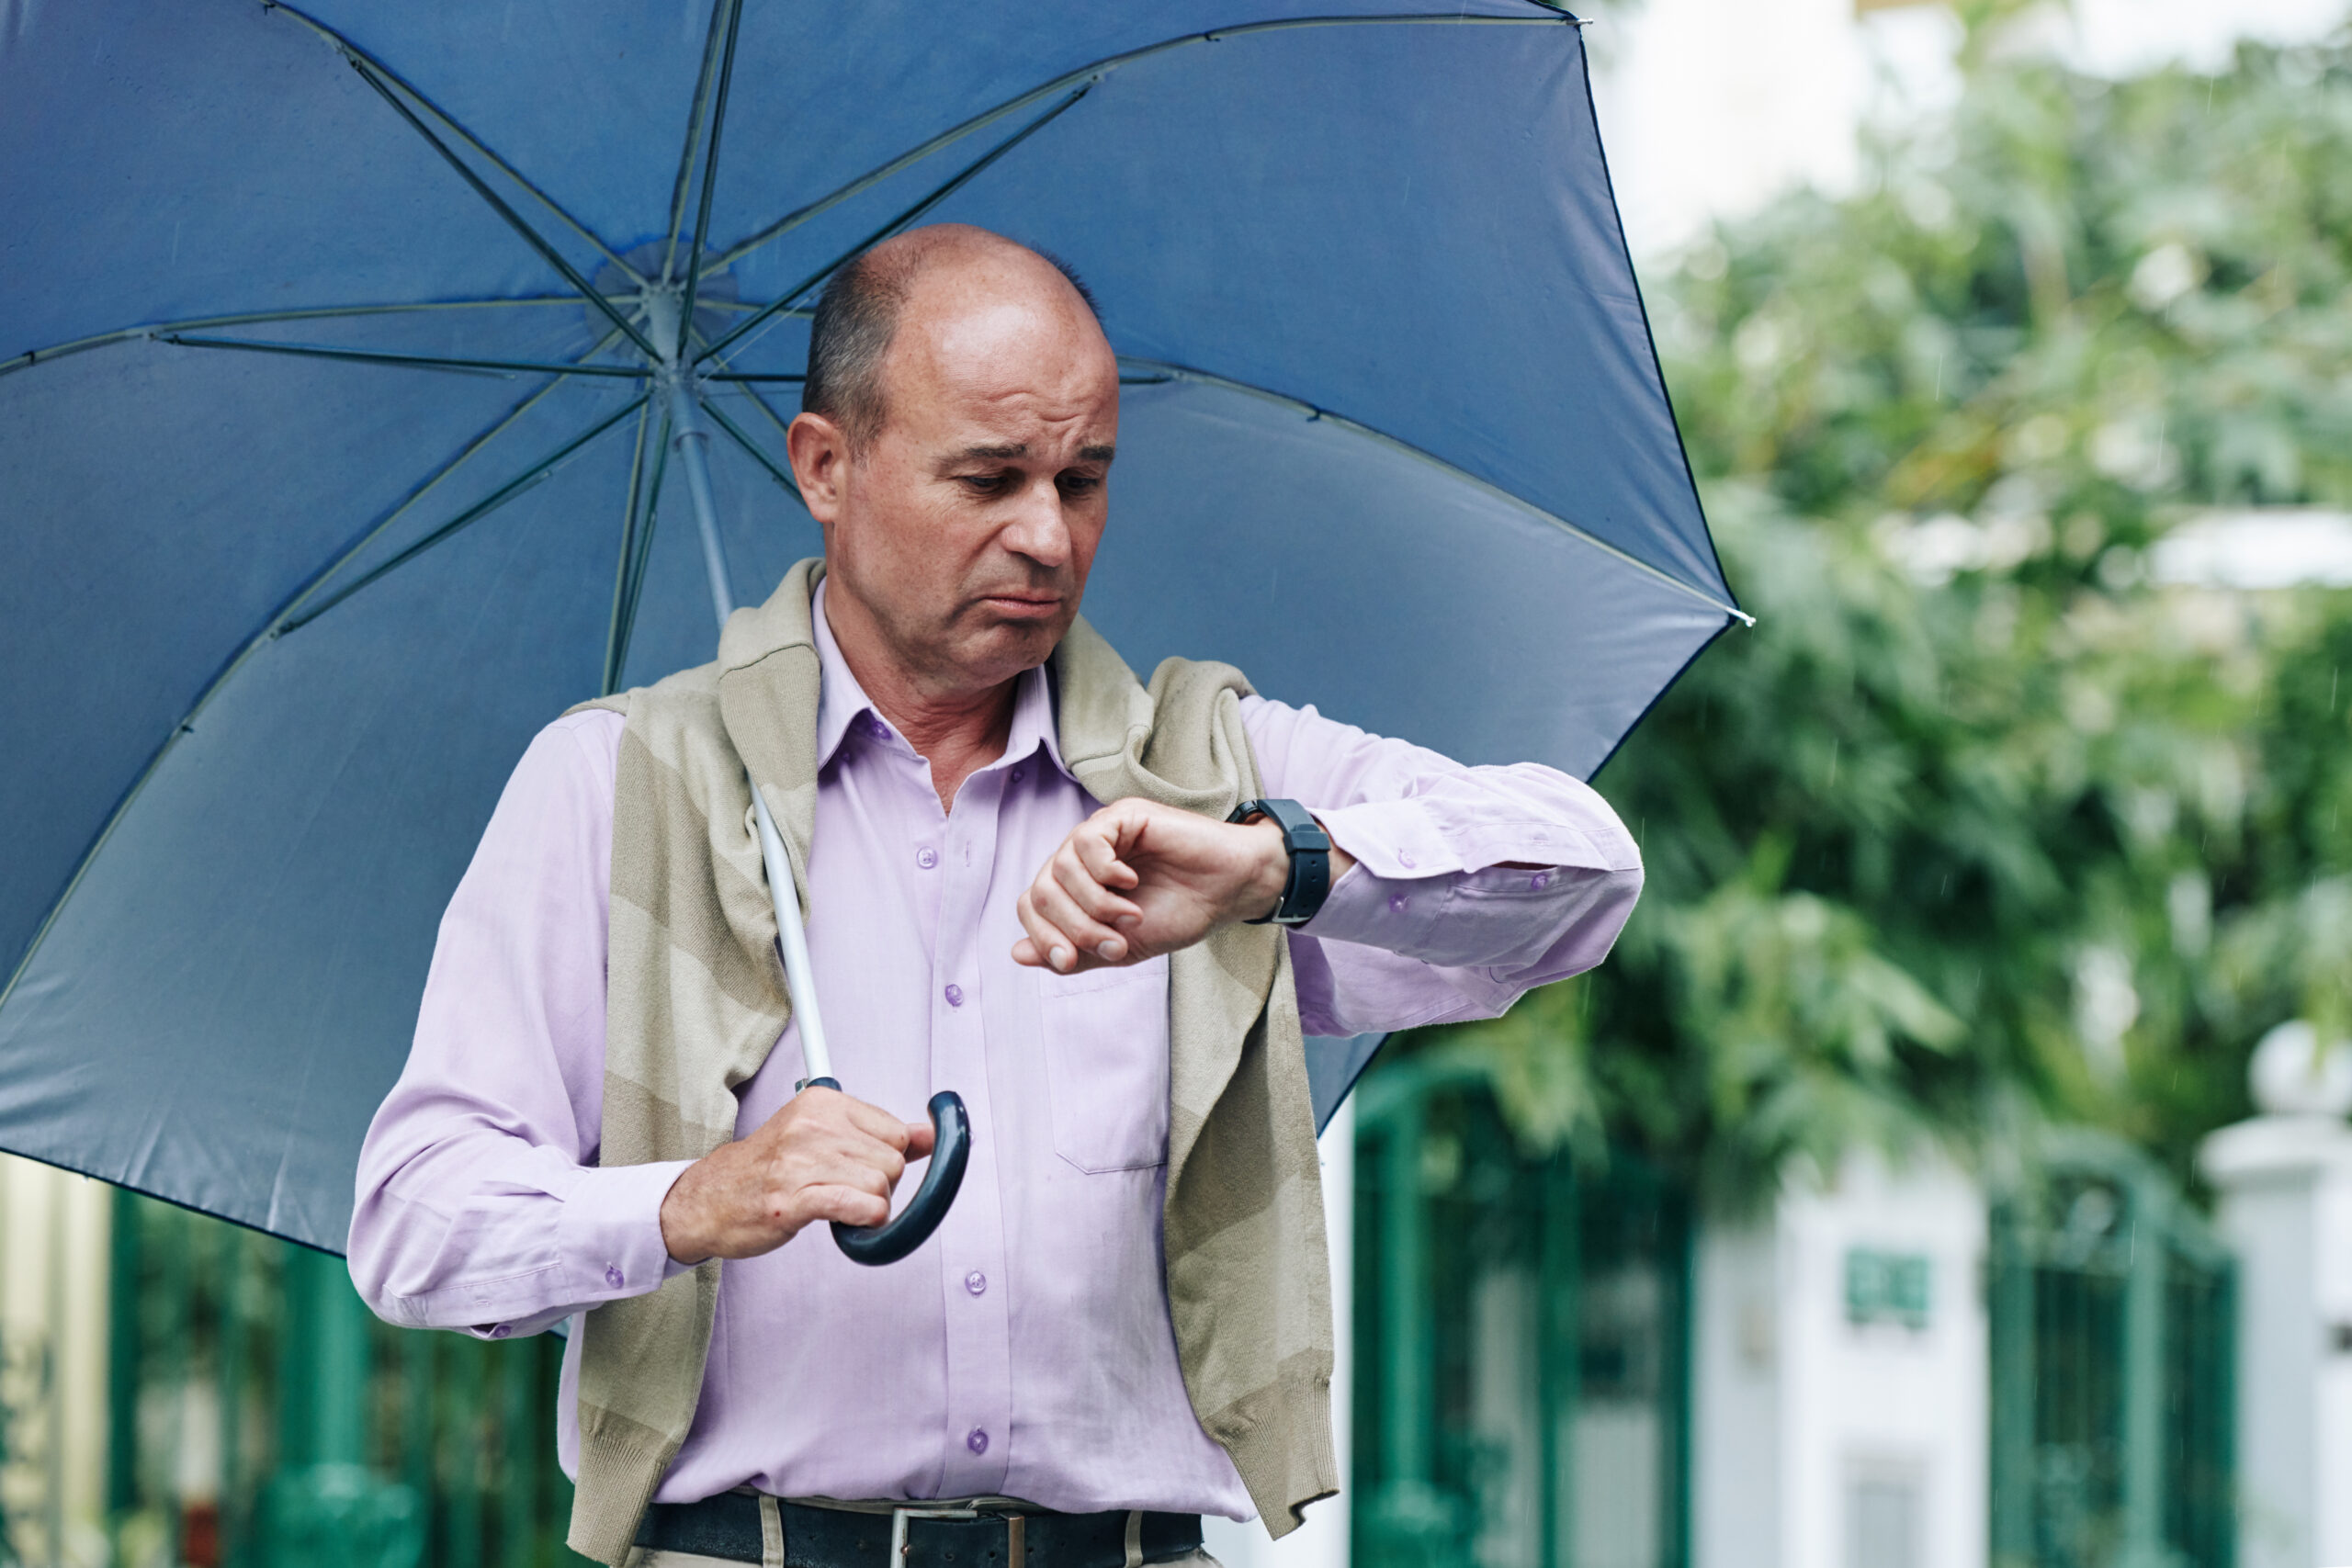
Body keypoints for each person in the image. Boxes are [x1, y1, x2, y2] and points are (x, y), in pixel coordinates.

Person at [348, 223, 1643, 1568]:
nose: (1047, 534)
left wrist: (1278, 864)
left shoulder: (1204, 774)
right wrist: (694, 1202)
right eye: (989, 477)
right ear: (825, 468)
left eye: (1083, 480)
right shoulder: (616, 783)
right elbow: (416, 1219)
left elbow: (1588, 874)